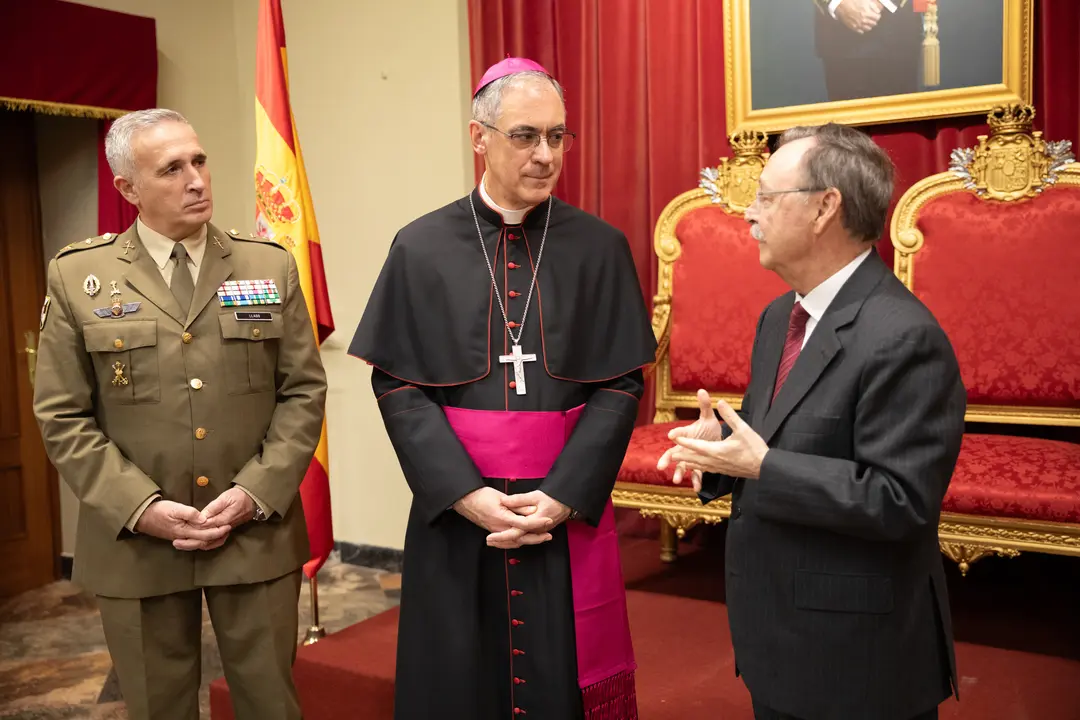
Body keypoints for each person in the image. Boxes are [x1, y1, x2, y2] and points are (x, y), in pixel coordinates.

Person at [349, 57, 656, 719]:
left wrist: (563, 497)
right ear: (478, 138)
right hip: (460, 517)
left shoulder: (599, 248)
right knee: (460, 678)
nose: (545, 154)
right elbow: (398, 383)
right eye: (525, 135)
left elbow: (621, 381)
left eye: (558, 136)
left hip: (559, 515)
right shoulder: (421, 246)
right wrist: (466, 495)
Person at [658, 122, 966, 720]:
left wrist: (762, 465)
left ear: (826, 207)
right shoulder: (781, 316)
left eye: (768, 197)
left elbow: (899, 500)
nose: (750, 214)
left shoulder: (904, 336)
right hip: (780, 632)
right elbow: (780, 432)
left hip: (858, 657)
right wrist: (719, 449)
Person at [32, 108, 327, 720]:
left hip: (254, 529)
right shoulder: (78, 275)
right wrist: (141, 508)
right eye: (171, 169)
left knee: (271, 702)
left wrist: (256, 491)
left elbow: (302, 391)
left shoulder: (266, 265)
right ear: (127, 189)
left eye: (199, 161)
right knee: (157, 706)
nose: (196, 180)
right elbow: (62, 415)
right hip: (137, 539)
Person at [813, 0, 926, 101]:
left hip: (897, 37)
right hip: (839, 40)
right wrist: (838, 3)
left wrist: (880, 3)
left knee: (901, 120)